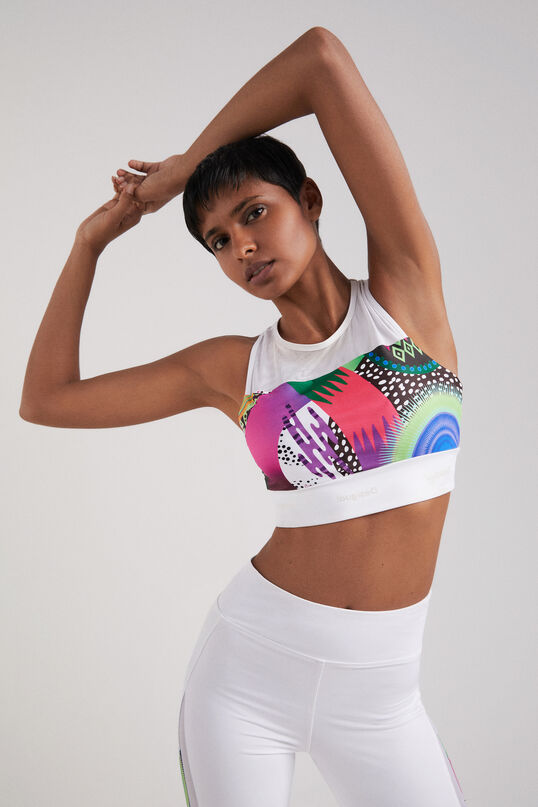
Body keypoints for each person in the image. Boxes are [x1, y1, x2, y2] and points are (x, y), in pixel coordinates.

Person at [20, 26, 466, 807]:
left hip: (382, 700)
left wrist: (184, 171)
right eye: (219, 240)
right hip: (247, 678)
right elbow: (46, 399)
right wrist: (89, 244)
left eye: (255, 213)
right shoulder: (237, 370)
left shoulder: (405, 300)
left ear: (310, 201)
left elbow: (320, 59)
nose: (243, 247)